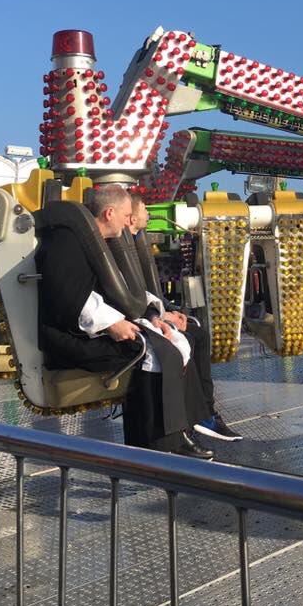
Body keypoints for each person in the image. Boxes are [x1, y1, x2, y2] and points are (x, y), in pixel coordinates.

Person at [37, 186, 213, 459]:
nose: (128, 221)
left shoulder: (94, 242)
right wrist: (111, 324)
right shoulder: (67, 241)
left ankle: (183, 429)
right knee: (151, 349)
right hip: (66, 337)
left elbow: (119, 292)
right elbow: (66, 297)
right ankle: (159, 443)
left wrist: (153, 317)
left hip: (87, 329)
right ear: (109, 213)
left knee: (172, 341)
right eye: (126, 214)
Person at [125, 193, 242, 442]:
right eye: (145, 209)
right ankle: (184, 424)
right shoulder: (122, 246)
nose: (149, 213)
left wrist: (169, 309)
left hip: (151, 310)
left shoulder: (136, 242)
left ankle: (205, 411)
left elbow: (147, 289)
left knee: (199, 334)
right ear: (132, 216)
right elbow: (127, 292)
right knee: (182, 343)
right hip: (137, 318)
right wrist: (159, 315)